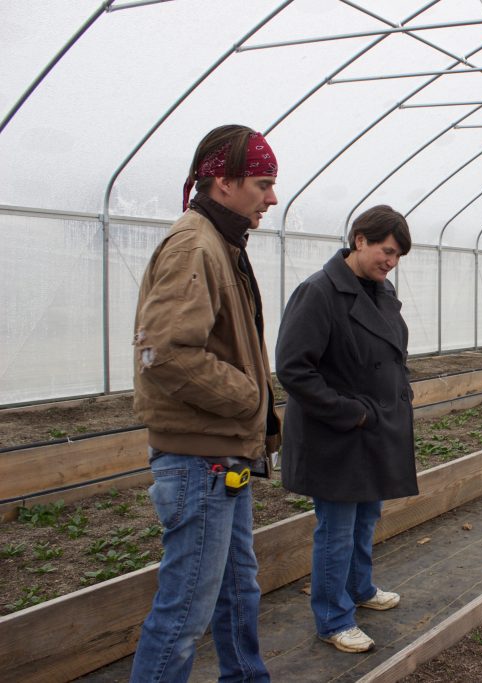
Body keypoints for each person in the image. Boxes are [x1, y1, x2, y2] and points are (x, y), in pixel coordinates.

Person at [130, 124, 281, 682]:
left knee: (239, 588)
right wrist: (248, 396)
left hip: (224, 459)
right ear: (223, 182)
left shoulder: (221, 243)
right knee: (184, 612)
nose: (271, 197)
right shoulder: (196, 244)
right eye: (263, 183)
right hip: (200, 463)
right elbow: (165, 351)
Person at [276, 205, 417, 653]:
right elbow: (294, 370)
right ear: (360, 240)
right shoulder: (318, 292)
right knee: (335, 528)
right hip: (335, 432)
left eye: (397, 256)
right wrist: (350, 412)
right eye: (386, 250)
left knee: (365, 517)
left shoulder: (380, 290)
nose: (390, 261)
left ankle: (360, 588)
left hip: (372, 428)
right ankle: (333, 618)